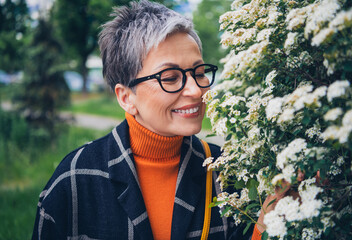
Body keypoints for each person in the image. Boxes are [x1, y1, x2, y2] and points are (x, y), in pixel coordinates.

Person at [32, 1, 267, 239]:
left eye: (199, 73)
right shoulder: (75, 179)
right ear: (126, 97)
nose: (196, 91)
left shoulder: (225, 172)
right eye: (170, 77)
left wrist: (265, 227)